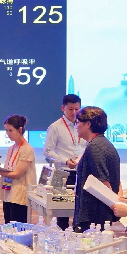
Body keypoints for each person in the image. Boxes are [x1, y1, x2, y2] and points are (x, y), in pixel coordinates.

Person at [74, 106, 121, 254]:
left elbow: (104, 182)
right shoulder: (105, 144)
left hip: (91, 214)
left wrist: (115, 206)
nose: (76, 126)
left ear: (88, 124)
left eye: (79, 122)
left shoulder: (95, 147)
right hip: (99, 214)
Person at [43, 94, 84, 229]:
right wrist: (65, 160)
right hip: (62, 172)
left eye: (77, 109)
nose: (74, 112)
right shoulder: (55, 127)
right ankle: (61, 236)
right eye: (70, 109)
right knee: (61, 213)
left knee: (81, 209)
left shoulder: (84, 125)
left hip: (81, 172)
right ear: (63, 108)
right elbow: (47, 151)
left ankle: (79, 235)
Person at [0, 114, 36, 224]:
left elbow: (17, 174)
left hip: (20, 194)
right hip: (8, 191)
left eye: (10, 130)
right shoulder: (11, 148)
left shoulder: (27, 149)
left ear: (20, 130)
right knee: (8, 224)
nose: (8, 134)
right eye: (6, 130)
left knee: (19, 226)